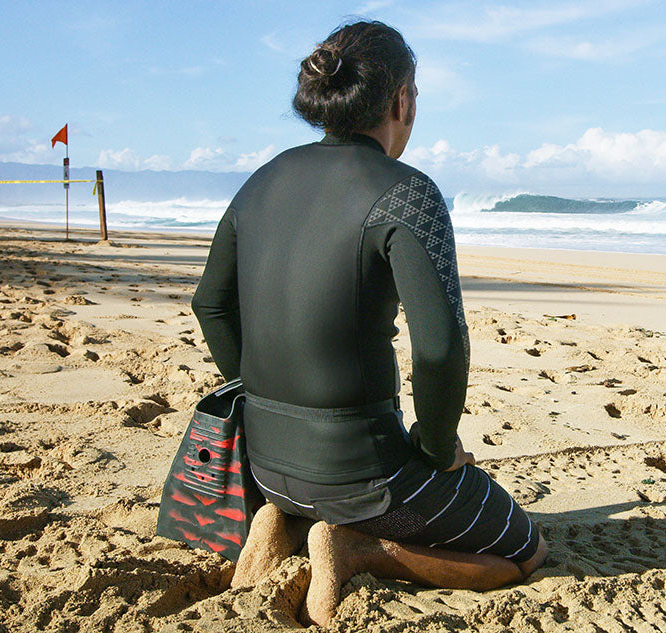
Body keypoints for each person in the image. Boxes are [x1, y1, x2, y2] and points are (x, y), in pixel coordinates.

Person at [191, 20, 548, 626]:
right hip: (367, 478)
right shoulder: (407, 193)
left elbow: (211, 305)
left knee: (316, 493)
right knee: (524, 550)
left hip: (266, 467)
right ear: (401, 98)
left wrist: (260, 394)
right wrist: (436, 448)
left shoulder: (261, 181)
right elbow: (439, 347)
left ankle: (285, 517)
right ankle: (359, 550)